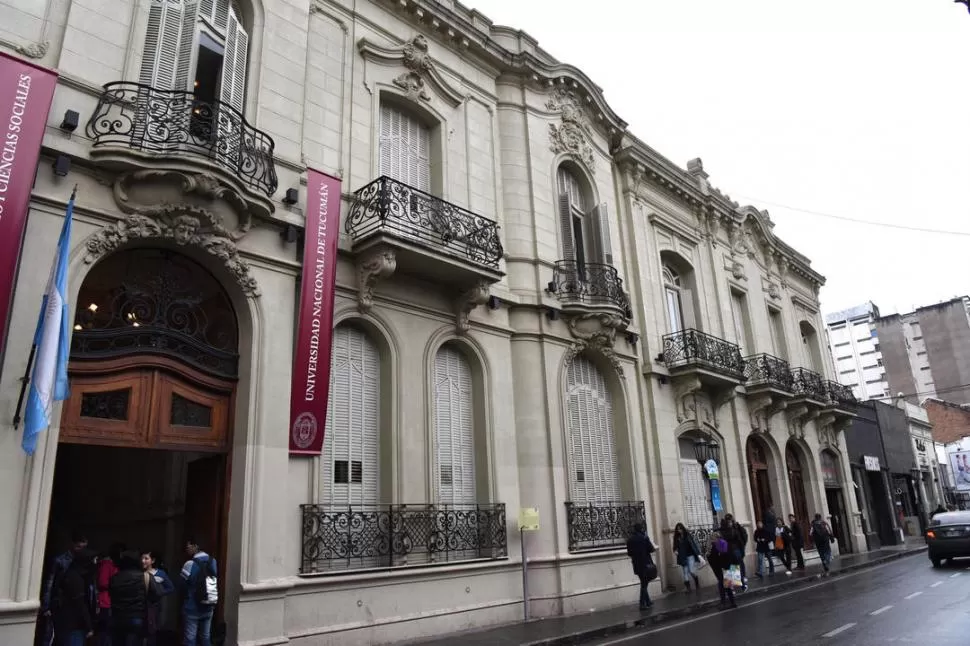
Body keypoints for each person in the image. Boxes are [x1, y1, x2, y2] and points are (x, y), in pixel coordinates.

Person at [41, 530, 90, 646]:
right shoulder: (60, 561)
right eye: (79, 547)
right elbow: (50, 582)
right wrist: (46, 605)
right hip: (60, 603)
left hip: (76, 604)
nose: (81, 550)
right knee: (51, 635)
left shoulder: (84, 562)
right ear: (72, 544)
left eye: (83, 548)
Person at [52, 548, 97, 646]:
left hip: (68, 623)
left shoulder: (72, 574)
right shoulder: (76, 579)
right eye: (94, 561)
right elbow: (80, 603)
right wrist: (89, 626)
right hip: (74, 624)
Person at [110, 550, 153, 645]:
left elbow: (111, 594)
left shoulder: (114, 577)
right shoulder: (143, 576)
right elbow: (155, 594)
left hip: (118, 617)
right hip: (136, 616)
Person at [181, 538, 218, 645]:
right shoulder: (213, 561)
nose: (186, 549)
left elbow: (182, 584)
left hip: (192, 607)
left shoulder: (189, 564)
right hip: (209, 605)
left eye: (188, 547)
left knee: (190, 639)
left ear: (195, 546)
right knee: (206, 637)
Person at [142, 550, 176, 646]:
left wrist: (160, 593)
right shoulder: (139, 574)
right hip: (140, 607)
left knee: (152, 632)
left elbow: (171, 588)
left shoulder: (160, 574)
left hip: (154, 607)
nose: (143, 561)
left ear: (152, 560)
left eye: (146, 558)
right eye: (142, 558)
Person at [95, 543, 124, 646]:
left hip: (113, 602)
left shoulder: (115, 565)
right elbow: (102, 582)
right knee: (105, 631)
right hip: (105, 602)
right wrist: (117, 584)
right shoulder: (107, 564)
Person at [626, 524, 656, 610]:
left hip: (636, 564)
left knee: (643, 582)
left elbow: (629, 553)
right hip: (645, 563)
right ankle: (642, 604)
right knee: (644, 584)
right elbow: (651, 549)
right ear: (641, 529)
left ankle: (648, 601)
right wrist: (647, 539)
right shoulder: (644, 538)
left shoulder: (630, 540)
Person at [706, 532, 739, 609]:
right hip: (728, 566)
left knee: (723, 586)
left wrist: (709, 555)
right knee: (727, 586)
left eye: (712, 539)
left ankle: (724, 603)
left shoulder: (717, 545)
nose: (711, 540)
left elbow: (716, 558)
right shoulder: (724, 543)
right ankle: (732, 603)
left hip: (723, 568)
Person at [671, 523, 701, 592]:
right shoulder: (676, 537)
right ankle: (688, 588)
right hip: (682, 556)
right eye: (678, 529)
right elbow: (674, 547)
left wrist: (698, 554)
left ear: (683, 528)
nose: (679, 530)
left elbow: (693, 544)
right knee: (685, 572)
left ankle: (696, 579)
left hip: (690, 555)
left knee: (691, 571)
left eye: (680, 529)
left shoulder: (687, 535)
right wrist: (675, 551)